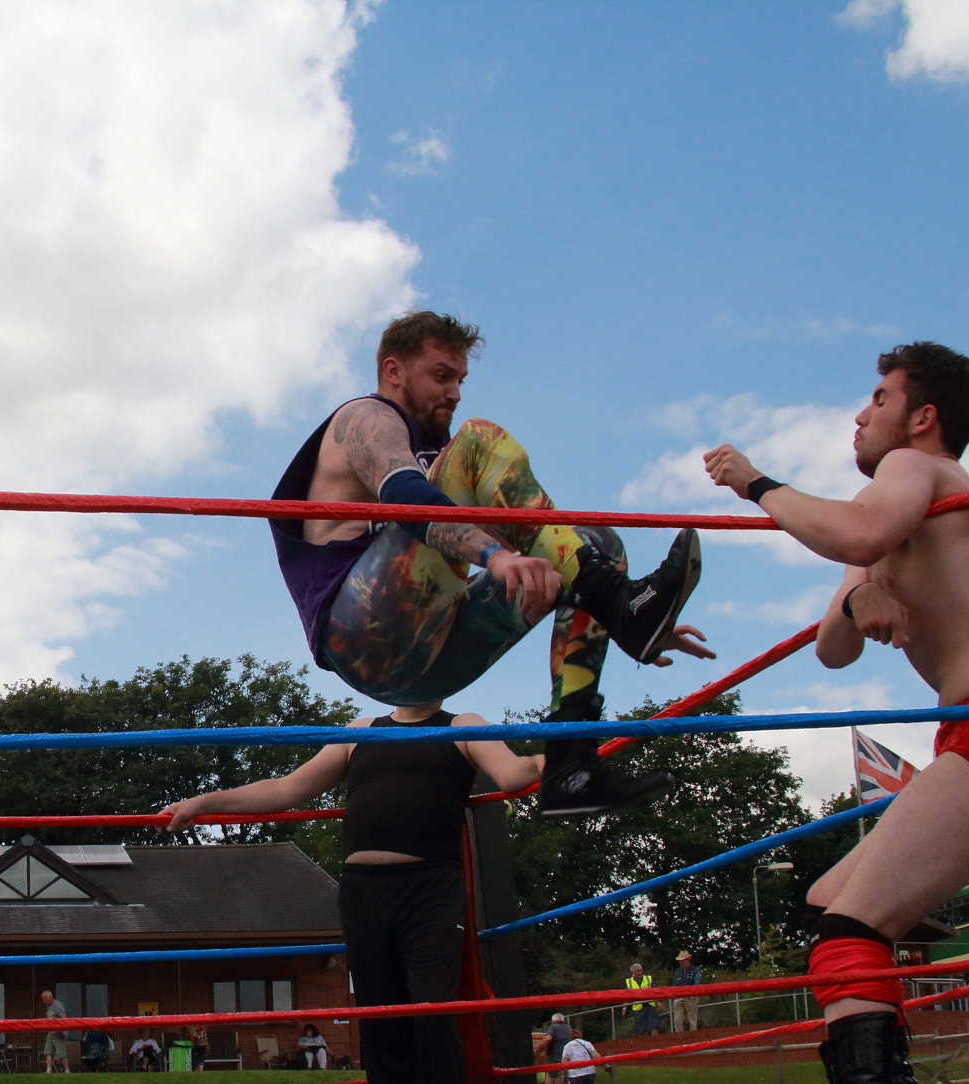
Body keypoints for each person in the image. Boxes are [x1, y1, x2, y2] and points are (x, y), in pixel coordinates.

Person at [705, 341, 969, 1084]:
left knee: (853, 926)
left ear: (922, 417)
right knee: (830, 900)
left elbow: (859, 527)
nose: (859, 414)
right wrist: (862, 591)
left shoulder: (919, 471)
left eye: (877, 396)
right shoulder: (898, 512)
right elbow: (833, 645)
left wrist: (757, 482)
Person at [271, 310, 713, 817]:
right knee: (480, 438)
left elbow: (538, 543)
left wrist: (623, 614)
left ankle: (573, 765)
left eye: (460, 379)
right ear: (394, 372)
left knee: (595, 544)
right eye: (441, 376)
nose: (455, 392)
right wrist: (494, 556)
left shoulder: (444, 462)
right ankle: (617, 603)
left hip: (429, 666)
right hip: (362, 631)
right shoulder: (366, 419)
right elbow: (403, 494)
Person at [164, 696, 544, 1084]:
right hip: (365, 892)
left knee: (435, 1021)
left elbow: (513, 774)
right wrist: (207, 802)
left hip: (430, 889)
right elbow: (288, 788)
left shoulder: (464, 725)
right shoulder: (363, 730)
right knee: (383, 1034)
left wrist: (559, 758)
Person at [538, 1014, 571, 1084]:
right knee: (567, 1077)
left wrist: (539, 1049)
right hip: (567, 1057)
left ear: (553, 1021)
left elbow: (548, 1039)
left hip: (554, 1056)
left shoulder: (553, 1027)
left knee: (549, 1075)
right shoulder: (569, 1028)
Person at [671, 952, 703, 1032]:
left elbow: (696, 983)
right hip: (679, 997)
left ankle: (693, 1037)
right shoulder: (678, 971)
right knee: (677, 1020)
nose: (681, 962)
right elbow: (675, 984)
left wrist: (691, 993)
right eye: (680, 960)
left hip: (691, 997)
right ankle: (680, 1037)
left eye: (683, 960)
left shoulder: (695, 969)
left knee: (692, 1020)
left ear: (688, 959)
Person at [624, 964, 658, 1037]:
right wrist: (624, 1007)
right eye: (637, 971)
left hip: (650, 1004)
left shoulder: (648, 978)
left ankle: (657, 1043)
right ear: (633, 972)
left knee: (654, 1025)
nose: (639, 973)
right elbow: (626, 995)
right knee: (640, 1029)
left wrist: (657, 1002)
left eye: (640, 970)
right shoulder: (629, 981)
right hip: (638, 1007)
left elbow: (654, 991)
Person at [40, 991, 69, 1074]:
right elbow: (49, 1018)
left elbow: (64, 1019)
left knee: (61, 1052)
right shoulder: (48, 1006)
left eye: (44, 999)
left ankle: (67, 1070)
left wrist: (57, 1030)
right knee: (48, 1051)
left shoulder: (58, 1005)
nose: (43, 1002)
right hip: (50, 1033)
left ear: (49, 997)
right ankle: (48, 1070)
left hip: (58, 1034)